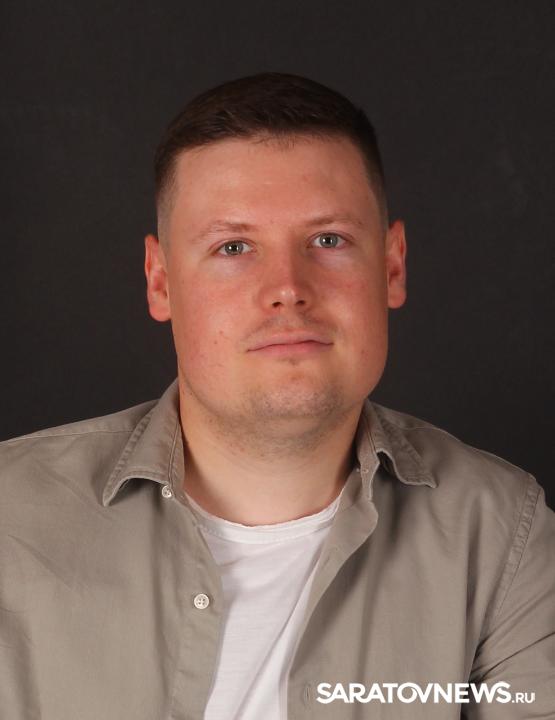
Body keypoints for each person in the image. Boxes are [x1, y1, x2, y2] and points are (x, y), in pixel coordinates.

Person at [1, 72, 553, 720]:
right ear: (160, 282)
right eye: (233, 247)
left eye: (328, 240)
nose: (287, 288)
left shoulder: (503, 537)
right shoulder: (10, 521)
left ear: (392, 266)